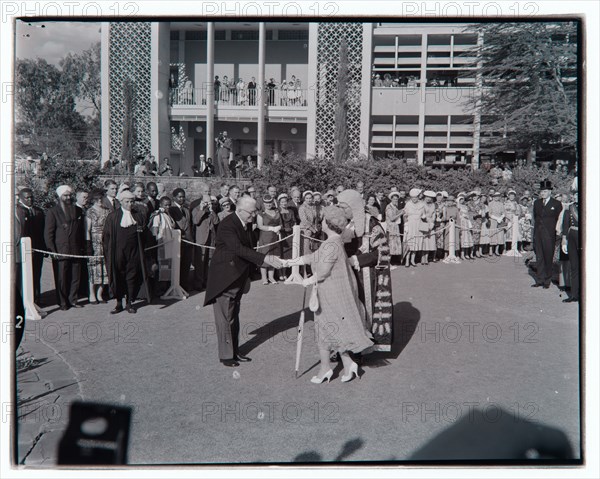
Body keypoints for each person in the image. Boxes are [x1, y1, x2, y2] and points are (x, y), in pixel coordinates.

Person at [283, 204, 374, 383]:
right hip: (333, 291)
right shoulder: (334, 241)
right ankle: (346, 364)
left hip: (331, 293)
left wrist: (305, 281)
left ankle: (326, 368)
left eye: (323, 219)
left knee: (325, 329)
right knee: (330, 329)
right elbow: (316, 257)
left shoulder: (331, 244)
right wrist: (292, 262)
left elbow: (323, 271)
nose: (321, 222)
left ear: (328, 223)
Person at [203, 197, 282, 367]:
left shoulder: (243, 222)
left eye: (255, 211)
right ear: (239, 210)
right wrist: (265, 258)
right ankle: (226, 356)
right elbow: (238, 249)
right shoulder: (227, 225)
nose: (253, 215)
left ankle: (234, 351)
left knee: (233, 316)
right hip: (225, 278)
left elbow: (248, 249)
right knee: (224, 318)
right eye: (251, 212)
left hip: (237, 275)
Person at [102, 190, 150, 314]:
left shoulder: (138, 216)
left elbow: (144, 234)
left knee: (131, 277)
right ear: (121, 202)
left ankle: (129, 303)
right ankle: (118, 303)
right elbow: (106, 236)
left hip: (133, 252)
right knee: (118, 276)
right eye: (127, 202)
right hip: (118, 252)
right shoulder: (113, 216)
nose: (129, 204)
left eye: (131, 201)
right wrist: (108, 252)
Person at [44, 185, 86, 310]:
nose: (68, 198)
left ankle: (73, 300)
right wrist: (52, 250)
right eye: (65, 195)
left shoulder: (77, 211)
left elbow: (80, 231)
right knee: (61, 278)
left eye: (69, 195)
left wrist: (82, 247)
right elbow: (48, 233)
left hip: (75, 249)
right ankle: (62, 302)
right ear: (60, 197)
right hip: (61, 250)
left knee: (75, 277)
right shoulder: (53, 212)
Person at [15, 188, 46, 305]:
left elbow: (42, 231)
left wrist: (44, 248)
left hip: (37, 249)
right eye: (27, 197)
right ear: (21, 198)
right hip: (24, 250)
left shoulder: (39, 211)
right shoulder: (18, 211)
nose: (30, 199)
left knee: (37, 274)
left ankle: (36, 299)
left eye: (31, 197)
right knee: (24, 276)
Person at [532, 180, 563, 289]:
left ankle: (547, 280)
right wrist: (534, 235)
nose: (543, 193)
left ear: (550, 191)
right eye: (542, 191)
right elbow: (535, 219)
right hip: (538, 234)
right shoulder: (537, 203)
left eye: (545, 191)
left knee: (548, 257)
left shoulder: (557, 204)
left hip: (550, 235)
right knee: (539, 257)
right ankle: (539, 279)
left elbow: (559, 220)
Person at [85, 190, 110, 304]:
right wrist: (88, 244)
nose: (100, 200)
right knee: (94, 269)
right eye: (97, 199)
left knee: (104, 269)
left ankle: (100, 294)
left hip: (105, 241)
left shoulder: (107, 211)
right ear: (93, 200)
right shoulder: (90, 212)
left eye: (101, 198)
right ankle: (92, 294)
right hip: (94, 242)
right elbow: (87, 230)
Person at [191, 194, 219, 291]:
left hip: (211, 239)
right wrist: (202, 209)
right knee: (200, 262)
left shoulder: (211, 210)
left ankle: (206, 282)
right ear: (202, 201)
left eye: (209, 202)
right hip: (201, 239)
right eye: (206, 202)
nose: (208, 204)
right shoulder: (196, 209)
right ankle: (198, 283)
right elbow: (195, 221)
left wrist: (212, 211)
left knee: (209, 261)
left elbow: (216, 222)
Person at [169, 188, 194, 292]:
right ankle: (177, 286)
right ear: (174, 197)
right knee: (178, 265)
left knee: (186, 264)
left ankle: (185, 284)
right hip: (178, 241)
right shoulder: (171, 209)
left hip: (188, 242)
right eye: (179, 197)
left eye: (183, 196)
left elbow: (189, 225)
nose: (182, 199)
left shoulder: (186, 210)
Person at [256, 195, 282, 285]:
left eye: (270, 202)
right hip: (265, 236)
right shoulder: (261, 213)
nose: (268, 204)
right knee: (265, 256)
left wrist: (279, 228)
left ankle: (271, 277)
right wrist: (271, 228)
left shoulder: (277, 211)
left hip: (275, 236)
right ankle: (264, 278)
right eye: (266, 203)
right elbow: (260, 226)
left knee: (273, 256)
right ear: (263, 203)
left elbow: (280, 223)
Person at [561, 190, 579, 302]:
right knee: (574, 266)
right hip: (572, 237)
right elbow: (565, 226)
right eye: (575, 194)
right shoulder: (569, 209)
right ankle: (574, 294)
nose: (577, 196)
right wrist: (564, 241)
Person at [402, 188, 424, 267]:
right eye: (412, 198)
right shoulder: (408, 204)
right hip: (410, 225)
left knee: (416, 243)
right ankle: (407, 260)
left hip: (418, 225)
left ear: (418, 197)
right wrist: (406, 225)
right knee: (409, 243)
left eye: (416, 197)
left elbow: (423, 215)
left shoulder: (422, 204)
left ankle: (413, 260)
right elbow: (404, 215)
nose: (414, 199)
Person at [278, 193, 295, 280]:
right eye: (282, 202)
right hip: (282, 234)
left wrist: (292, 228)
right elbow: (278, 223)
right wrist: (283, 229)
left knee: (290, 253)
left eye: (285, 201)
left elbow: (294, 221)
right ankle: (281, 273)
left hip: (290, 234)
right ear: (279, 202)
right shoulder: (278, 211)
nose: (284, 203)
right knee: (282, 253)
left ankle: (288, 273)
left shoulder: (291, 211)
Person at [385, 192, 403, 263]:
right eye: (394, 199)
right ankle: (388, 262)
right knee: (391, 244)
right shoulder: (389, 207)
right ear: (391, 199)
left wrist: (402, 210)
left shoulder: (394, 206)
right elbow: (392, 218)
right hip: (391, 227)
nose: (395, 200)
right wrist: (401, 214)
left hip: (395, 227)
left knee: (394, 245)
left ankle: (391, 261)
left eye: (396, 199)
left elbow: (396, 213)